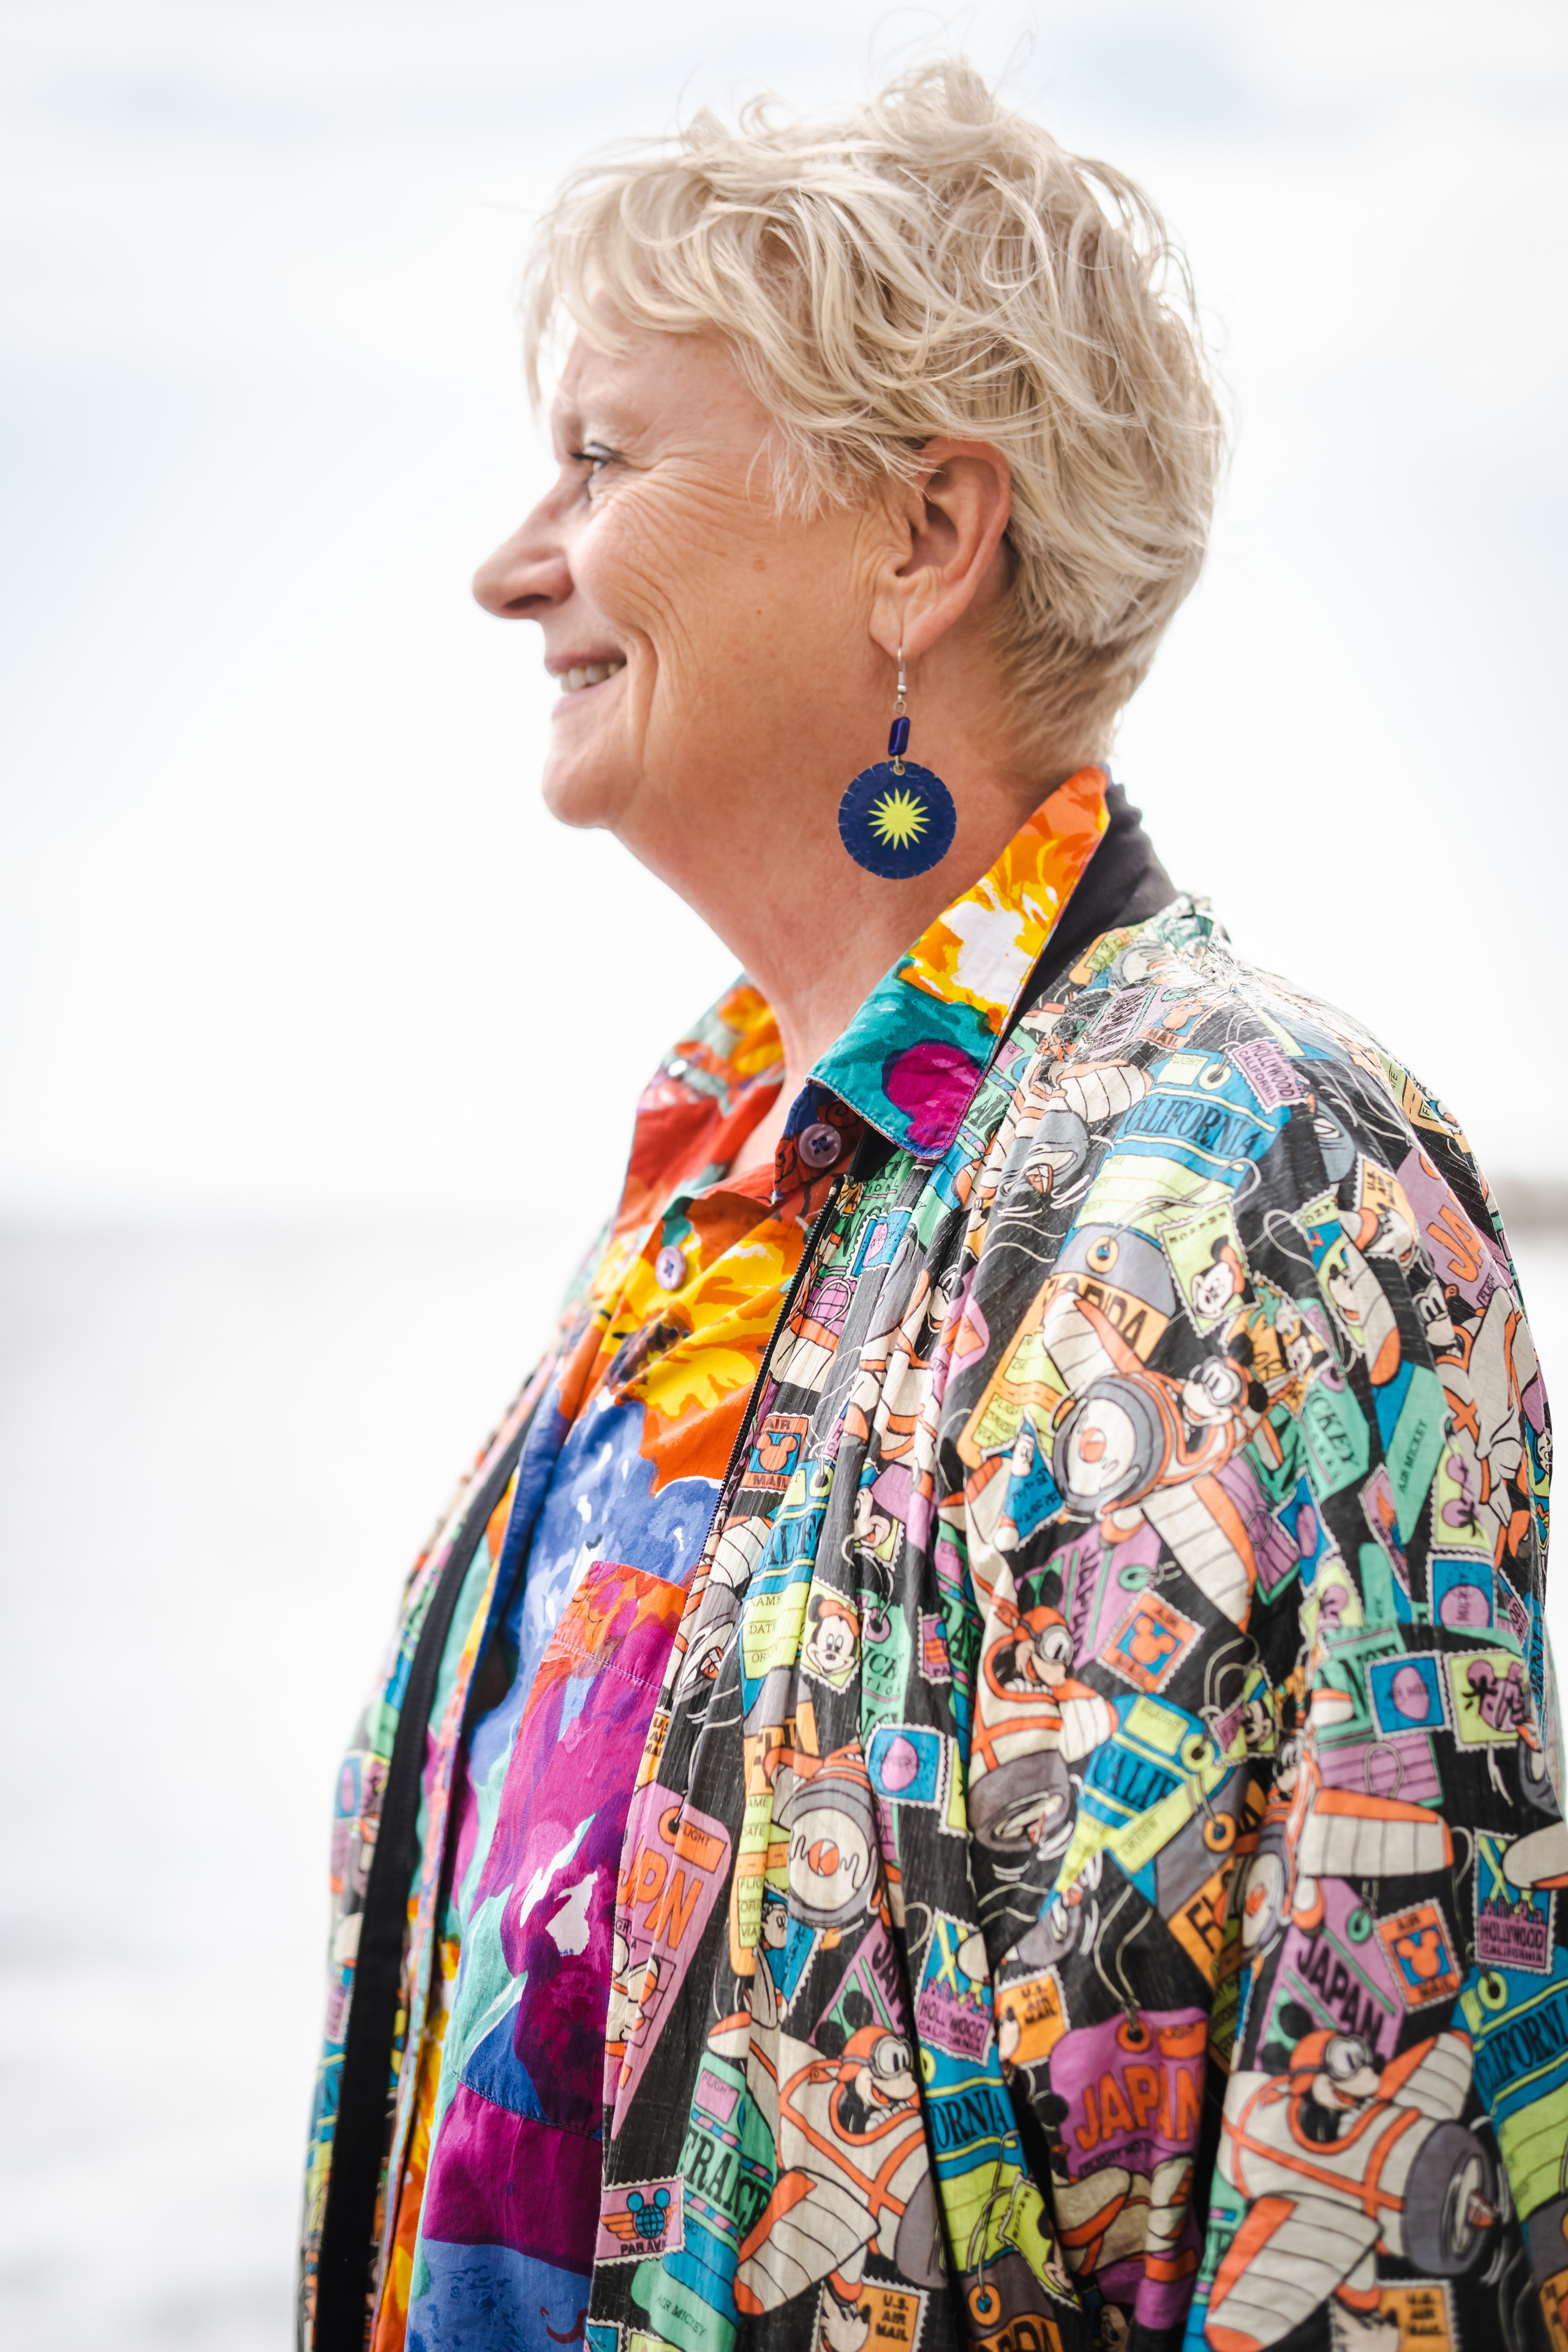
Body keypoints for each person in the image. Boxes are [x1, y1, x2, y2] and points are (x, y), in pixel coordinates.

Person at [298, 58, 1559, 2352]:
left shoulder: (1256, 1174)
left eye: (603, 458)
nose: (511, 566)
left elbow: (1393, 2216)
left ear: (922, 538)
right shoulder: (713, 1189)